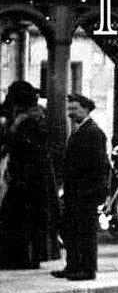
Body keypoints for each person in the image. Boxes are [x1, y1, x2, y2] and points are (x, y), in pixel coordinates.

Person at [0, 80, 60, 269]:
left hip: (29, 177)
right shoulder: (29, 118)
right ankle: (23, 256)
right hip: (30, 175)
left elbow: (25, 149)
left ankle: (24, 257)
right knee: (20, 217)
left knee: (22, 217)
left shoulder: (30, 121)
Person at [55, 93, 110, 281]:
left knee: (85, 230)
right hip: (75, 189)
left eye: (74, 109)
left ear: (86, 109)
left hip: (86, 190)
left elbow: (99, 165)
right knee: (72, 228)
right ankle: (73, 266)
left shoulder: (94, 133)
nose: (70, 113)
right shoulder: (80, 130)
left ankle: (87, 269)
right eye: (69, 109)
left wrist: (94, 190)